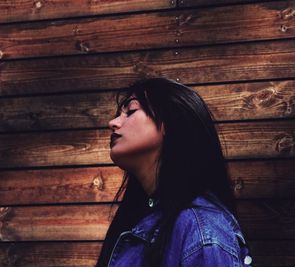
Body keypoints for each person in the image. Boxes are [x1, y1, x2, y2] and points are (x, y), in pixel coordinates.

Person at [95, 78, 252, 267]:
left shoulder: (201, 228)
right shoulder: (141, 216)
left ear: (170, 122)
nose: (112, 123)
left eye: (131, 111)